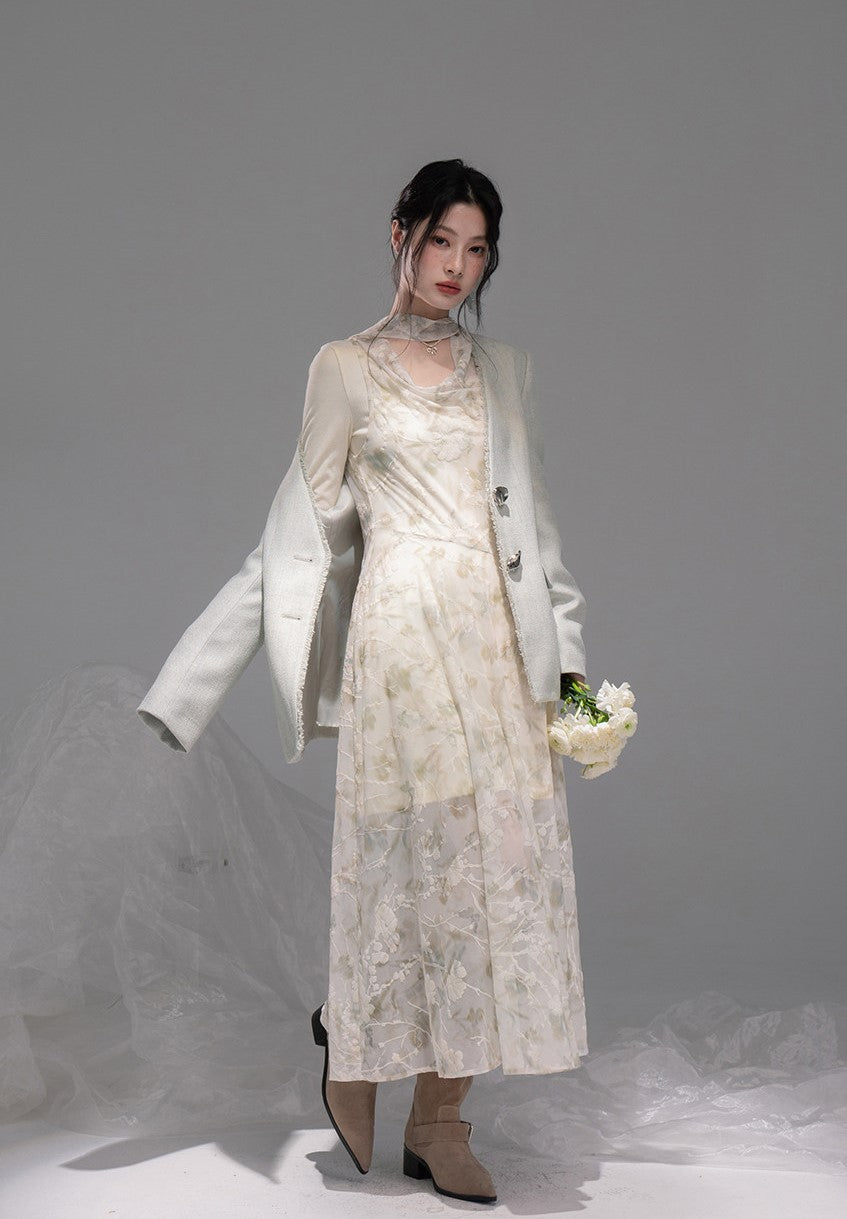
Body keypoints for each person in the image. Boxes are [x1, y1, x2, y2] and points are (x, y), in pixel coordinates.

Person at [138, 158, 589, 1205]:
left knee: (495, 877)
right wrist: (189, 684)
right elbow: (293, 540)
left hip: (495, 650)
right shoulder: (342, 368)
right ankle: (355, 1039)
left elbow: (538, 539)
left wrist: (569, 677)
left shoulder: (505, 371)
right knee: (417, 875)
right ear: (400, 234)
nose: (457, 266)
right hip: (400, 649)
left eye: (476, 249)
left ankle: (440, 1122)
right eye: (441, 241)